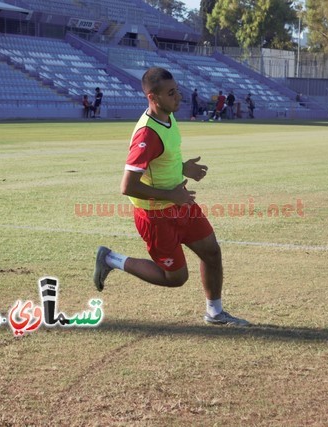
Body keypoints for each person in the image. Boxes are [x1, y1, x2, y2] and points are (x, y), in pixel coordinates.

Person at [93, 67, 249, 327]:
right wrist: (170, 195)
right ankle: (111, 259)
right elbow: (127, 186)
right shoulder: (146, 134)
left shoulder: (168, 116)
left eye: (177, 90)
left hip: (180, 202)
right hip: (155, 215)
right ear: (153, 97)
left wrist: (182, 168)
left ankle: (215, 313)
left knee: (211, 252)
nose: (178, 97)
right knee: (175, 278)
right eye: (171, 93)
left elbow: (164, 160)